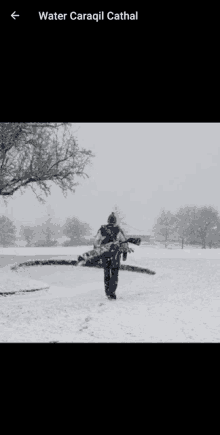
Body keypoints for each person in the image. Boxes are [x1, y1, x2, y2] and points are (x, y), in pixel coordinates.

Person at [94, 212, 128, 300]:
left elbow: (96, 241)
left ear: (108, 220)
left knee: (106, 273)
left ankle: (107, 292)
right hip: (115, 255)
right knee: (114, 274)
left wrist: (96, 252)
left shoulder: (102, 229)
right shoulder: (118, 230)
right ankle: (112, 292)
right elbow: (124, 242)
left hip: (105, 255)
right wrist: (125, 254)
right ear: (115, 221)